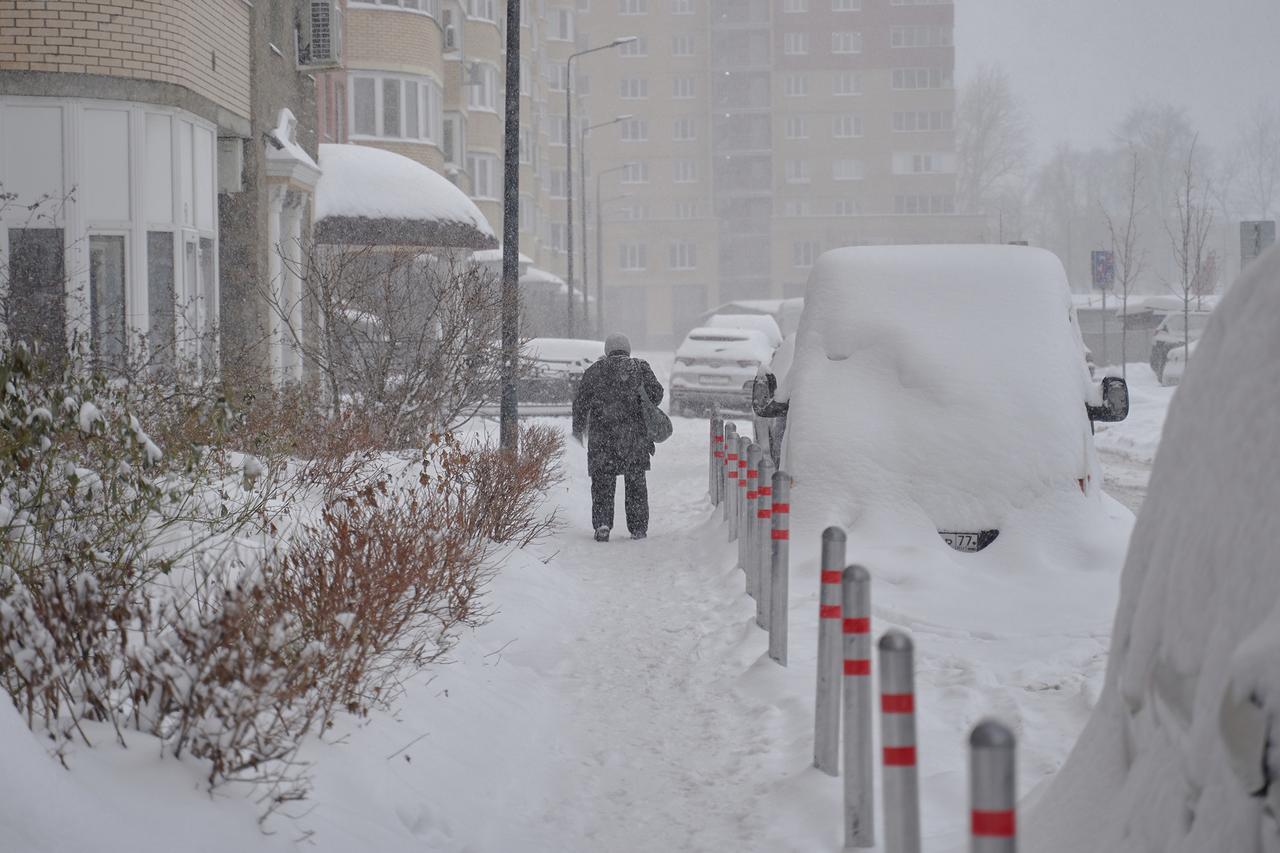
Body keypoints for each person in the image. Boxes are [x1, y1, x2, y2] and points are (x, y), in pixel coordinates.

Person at [571, 333, 664, 542]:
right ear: (627, 349)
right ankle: (638, 528)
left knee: (602, 482)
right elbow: (657, 395)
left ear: (607, 350)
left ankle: (602, 523)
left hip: (602, 439)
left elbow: (580, 402)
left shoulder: (595, 371)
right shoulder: (640, 367)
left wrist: (578, 429)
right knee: (636, 485)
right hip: (634, 438)